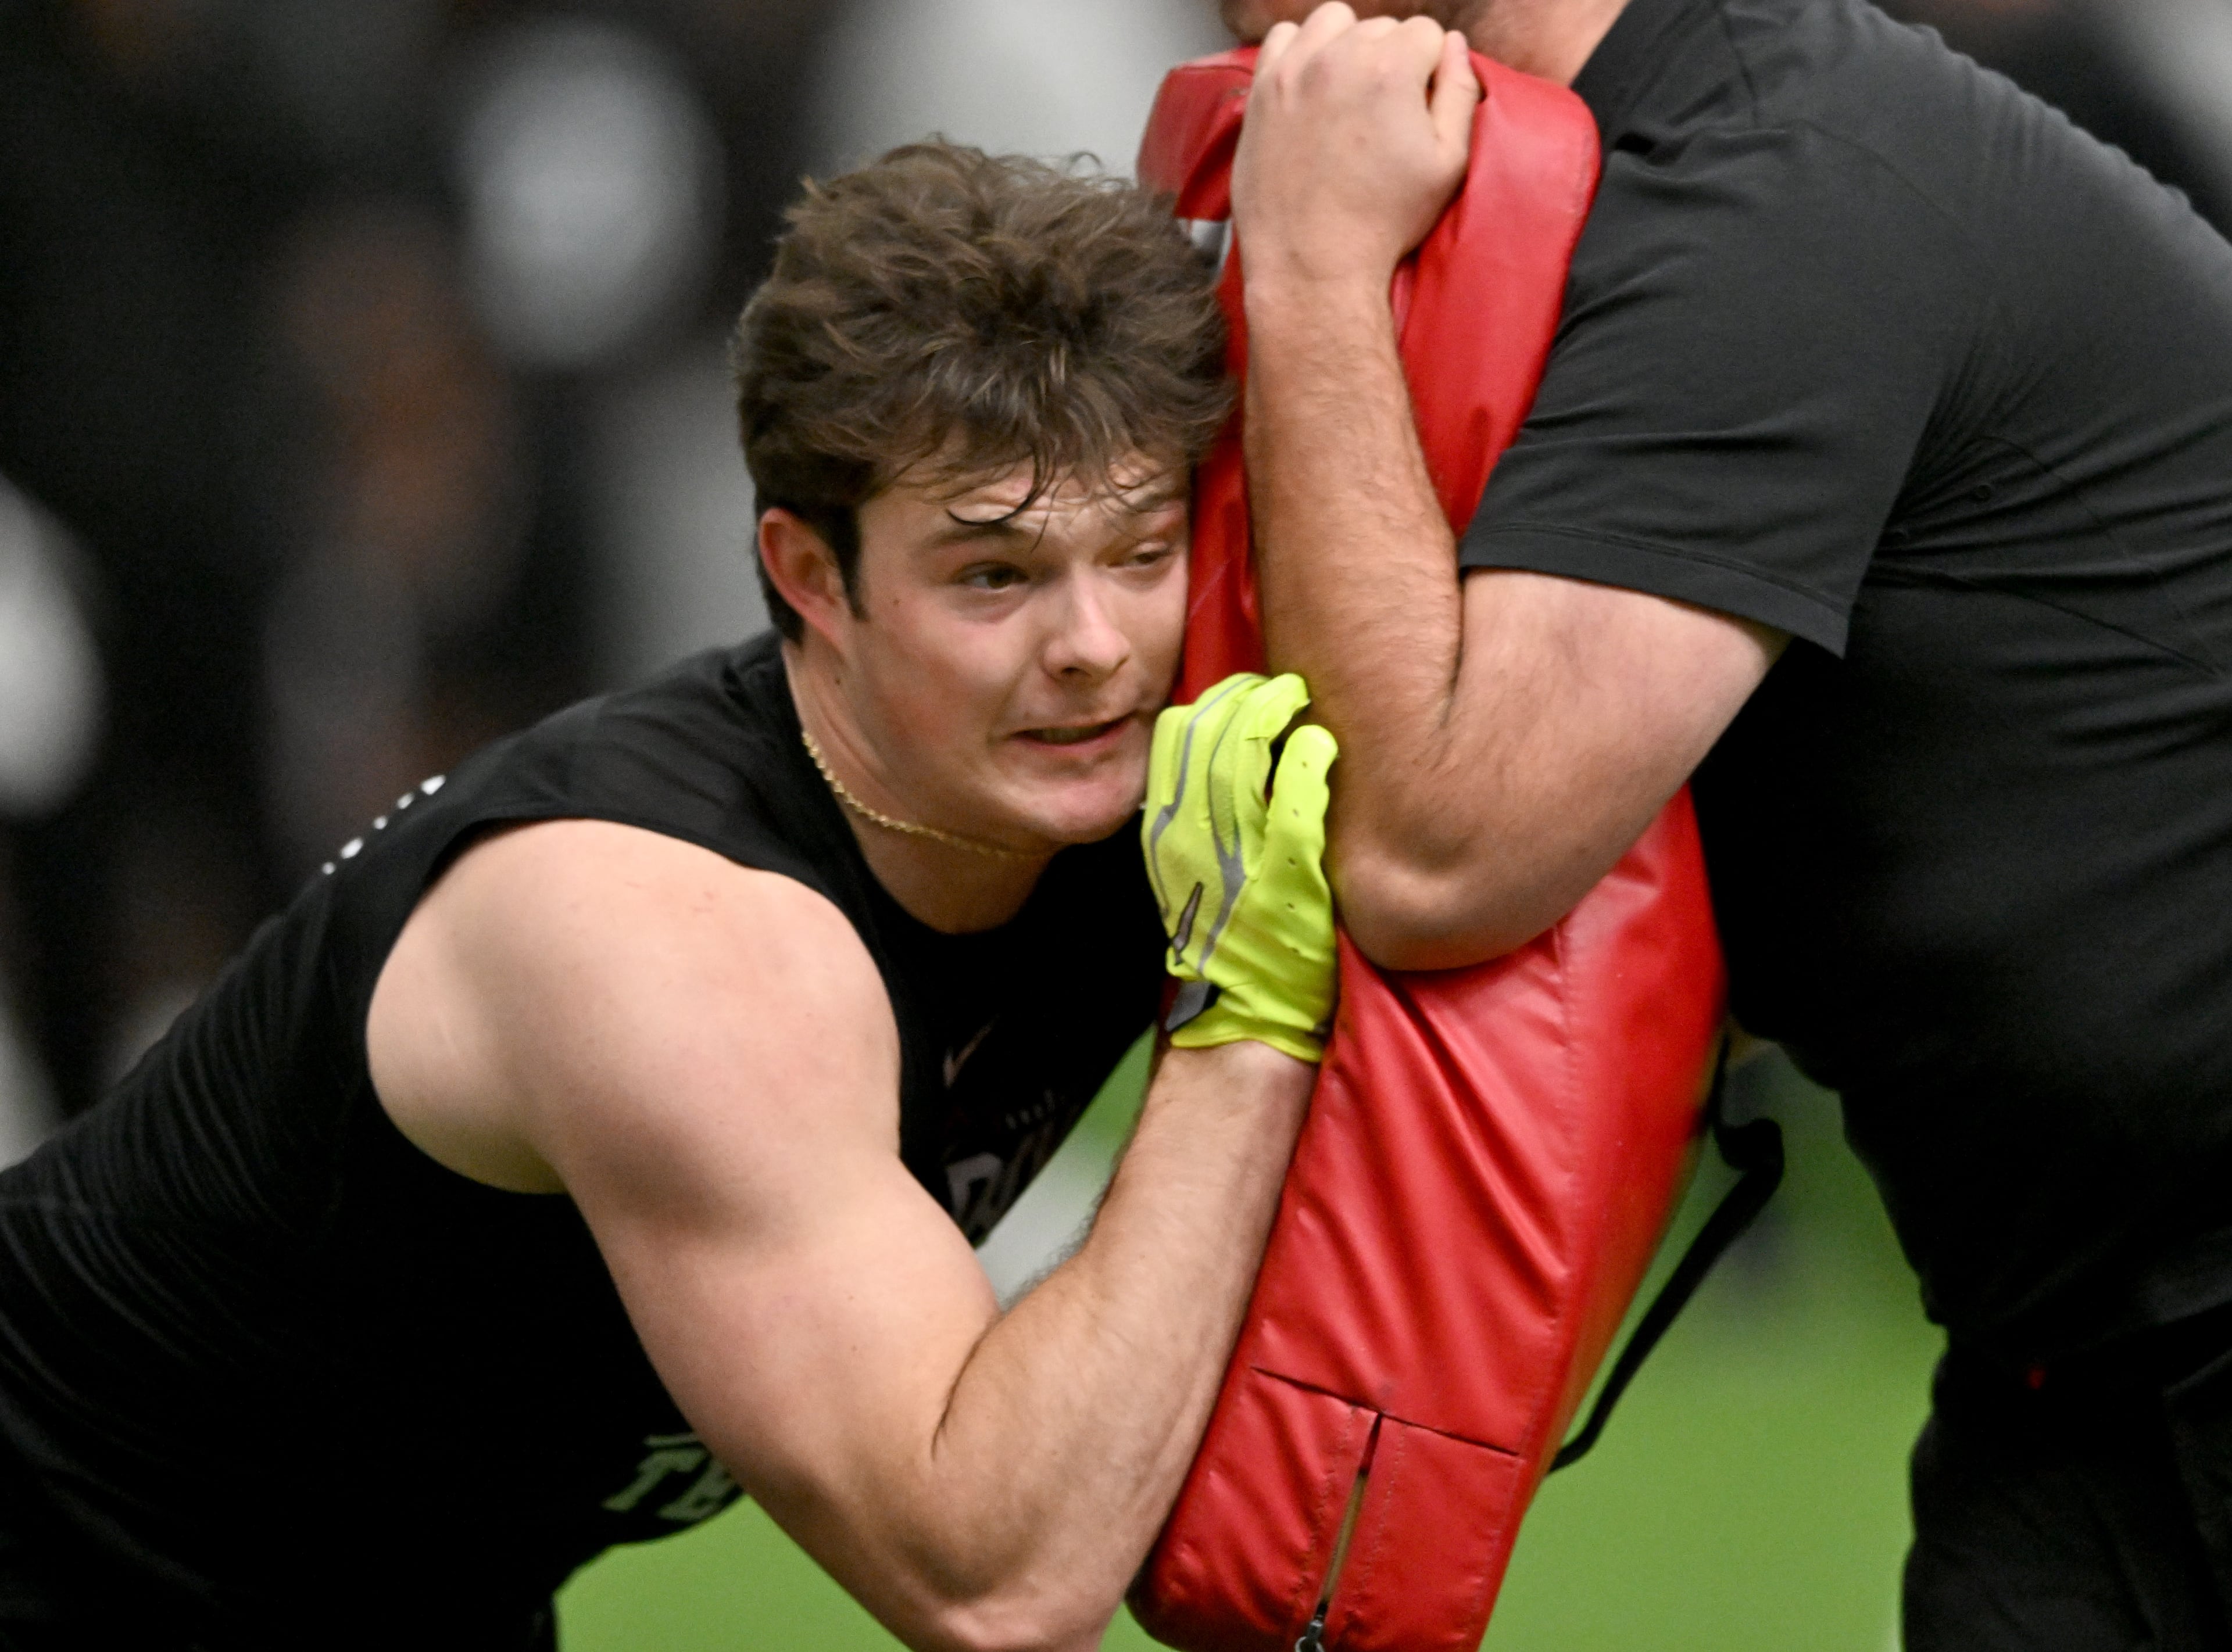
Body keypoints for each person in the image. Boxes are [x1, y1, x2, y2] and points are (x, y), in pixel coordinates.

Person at [0, 142, 1343, 1651]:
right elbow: (998, 1581)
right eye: (993, 576)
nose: (1097, 644)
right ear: (810, 576)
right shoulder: (681, 939)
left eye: (1141, 550)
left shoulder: (1111, 779)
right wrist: (1245, 1019)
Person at [1212, 1, 2232, 1646]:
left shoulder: (1774, 175)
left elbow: (1436, 854)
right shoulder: (1615, 184)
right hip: (2071, 1354)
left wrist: (1311, 269)